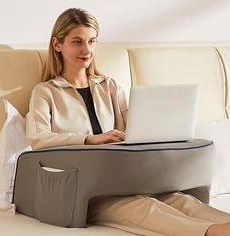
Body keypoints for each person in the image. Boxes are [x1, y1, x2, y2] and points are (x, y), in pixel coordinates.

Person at [26, 8, 230, 236]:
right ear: (57, 45)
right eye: (77, 42)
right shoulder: (45, 92)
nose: (86, 50)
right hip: (86, 190)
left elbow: (137, 124)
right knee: (144, 208)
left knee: (183, 201)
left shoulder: (110, 86)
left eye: (92, 41)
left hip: (127, 178)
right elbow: (38, 138)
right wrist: (89, 139)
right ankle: (213, 232)